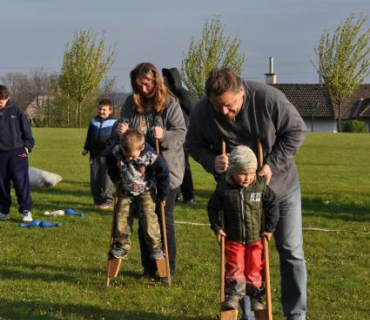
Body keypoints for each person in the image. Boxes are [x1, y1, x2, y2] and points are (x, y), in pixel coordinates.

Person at [185, 68, 307, 320]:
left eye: (229, 106)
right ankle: (249, 315)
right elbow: (193, 145)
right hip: (236, 197)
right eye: (217, 106)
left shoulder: (268, 98)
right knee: (241, 251)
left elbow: (296, 131)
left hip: (280, 189)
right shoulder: (202, 111)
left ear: (241, 91)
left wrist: (271, 165)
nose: (223, 112)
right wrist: (212, 162)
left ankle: (296, 315)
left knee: (291, 250)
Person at [116, 62, 186, 279]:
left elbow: (181, 134)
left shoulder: (170, 103)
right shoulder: (131, 103)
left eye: (147, 85)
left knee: (163, 218)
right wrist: (120, 130)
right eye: (139, 86)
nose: (144, 90)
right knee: (144, 218)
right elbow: (121, 130)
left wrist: (163, 135)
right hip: (138, 175)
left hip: (166, 172)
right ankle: (148, 268)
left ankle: (168, 269)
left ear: (155, 81)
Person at [208, 145, 279, 312]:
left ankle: (255, 296)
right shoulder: (224, 188)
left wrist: (269, 228)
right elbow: (212, 207)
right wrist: (217, 227)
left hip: (256, 237)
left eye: (251, 173)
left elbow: (273, 205)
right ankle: (233, 294)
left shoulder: (260, 186)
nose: (247, 178)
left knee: (255, 266)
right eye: (243, 173)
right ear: (232, 171)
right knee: (235, 266)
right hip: (234, 237)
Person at [106, 129, 170, 261]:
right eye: (126, 155)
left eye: (133, 156)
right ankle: (121, 246)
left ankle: (156, 247)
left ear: (141, 148)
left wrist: (163, 195)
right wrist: (114, 177)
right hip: (125, 189)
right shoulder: (117, 150)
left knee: (148, 217)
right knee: (121, 216)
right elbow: (109, 159)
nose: (129, 158)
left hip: (145, 190)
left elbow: (163, 174)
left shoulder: (151, 155)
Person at [0, 85, 35, 222]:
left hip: (17, 153)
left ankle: (26, 210)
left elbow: (27, 131)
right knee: (1, 184)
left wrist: (27, 146)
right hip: (0, 154)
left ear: (7, 99)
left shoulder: (16, 111)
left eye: (1, 102)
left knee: (20, 181)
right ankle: (3, 210)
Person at [162, 67, 196, 204]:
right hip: (170, 134)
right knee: (170, 164)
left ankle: (189, 196)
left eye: (165, 80)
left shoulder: (182, 94)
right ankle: (174, 194)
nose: (163, 82)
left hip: (183, 135)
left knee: (183, 166)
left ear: (171, 81)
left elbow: (195, 110)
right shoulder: (167, 95)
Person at [82, 98, 116, 210]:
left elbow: (113, 139)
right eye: (100, 109)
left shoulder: (114, 122)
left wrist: (107, 150)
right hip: (94, 155)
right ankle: (97, 200)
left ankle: (107, 201)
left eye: (104, 110)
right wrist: (86, 148)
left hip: (107, 156)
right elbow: (89, 136)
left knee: (106, 180)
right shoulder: (93, 121)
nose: (101, 112)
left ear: (110, 110)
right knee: (95, 179)